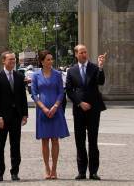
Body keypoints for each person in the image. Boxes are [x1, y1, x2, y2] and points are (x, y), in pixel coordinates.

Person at [66, 45, 107, 181]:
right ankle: (82, 171)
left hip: (94, 109)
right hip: (79, 110)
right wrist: (80, 103)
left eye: (85, 52)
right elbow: (69, 90)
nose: (84, 54)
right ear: (76, 54)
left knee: (93, 141)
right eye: (81, 52)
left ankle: (94, 171)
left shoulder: (94, 68)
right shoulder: (71, 71)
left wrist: (101, 67)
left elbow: (100, 82)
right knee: (80, 141)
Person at [31, 50, 70, 180]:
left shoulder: (58, 74)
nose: (50, 61)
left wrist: (55, 106)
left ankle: (54, 168)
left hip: (56, 110)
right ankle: (46, 167)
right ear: (42, 61)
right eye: (48, 59)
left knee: (55, 139)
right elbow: (34, 93)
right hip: (42, 111)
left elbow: (61, 92)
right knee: (44, 140)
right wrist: (42, 107)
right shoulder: (36, 75)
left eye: (51, 59)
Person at [0, 51, 28, 182]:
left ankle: (15, 172)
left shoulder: (19, 76)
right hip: (2, 118)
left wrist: (25, 114)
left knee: (15, 145)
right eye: (10, 60)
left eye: (14, 60)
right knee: (0, 146)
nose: (13, 62)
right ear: (3, 61)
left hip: (16, 117)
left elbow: (23, 97)